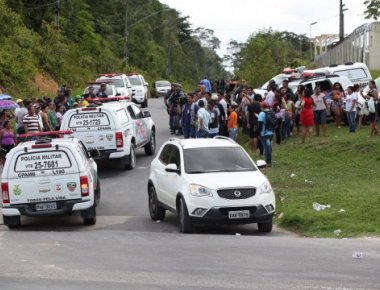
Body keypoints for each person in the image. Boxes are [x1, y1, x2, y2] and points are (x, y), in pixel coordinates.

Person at [258, 101, 274, 166]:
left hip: (264, 133)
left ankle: (268, 162)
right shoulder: (271, 112)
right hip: (271, 132)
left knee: (267, 147)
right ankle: (269, 159)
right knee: (269, 147)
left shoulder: (262, 113)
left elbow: (260, 124)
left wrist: (259, 133)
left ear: (261, 107)